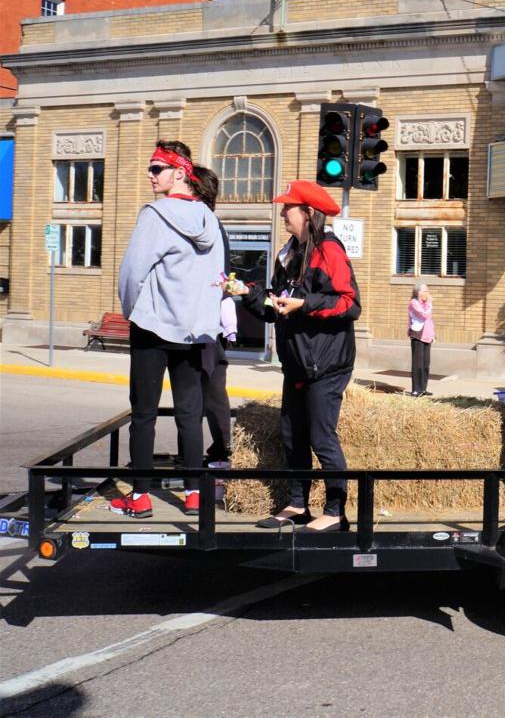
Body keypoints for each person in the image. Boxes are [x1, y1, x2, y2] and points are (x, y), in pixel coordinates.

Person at [228, 180, 360, 532]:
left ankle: (335, 512)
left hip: (327, 364)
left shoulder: (329, 251)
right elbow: (275, 306)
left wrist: (306, 304)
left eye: (289, 207)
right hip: (298, 363)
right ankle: (298, 505)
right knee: (292, 436)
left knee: (321, 437)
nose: (283, 212)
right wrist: (246, 292)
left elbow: (349, 304)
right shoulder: (288, 253)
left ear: (309, 213)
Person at [111, 142, 225, 519]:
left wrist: (133, 312)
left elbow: (132, 273)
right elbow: (217, 278)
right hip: (193, 332)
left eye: (157, 168)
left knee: (143, 414)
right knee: (189, 414)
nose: (150, 174)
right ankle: (193, 493)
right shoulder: (210, 219)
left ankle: (140, 496)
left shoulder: (155, 215)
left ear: (180, 172)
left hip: (154, 326)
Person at [192, 166, 235, 465]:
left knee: (205, 391)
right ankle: (219, 451)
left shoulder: (204, 224)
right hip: (210, 322)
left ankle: (217, 453)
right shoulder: (211, 223)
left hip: (204, 322)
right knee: (209, 389)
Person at [407, 283, 435, 397]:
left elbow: (429, 320)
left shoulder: (425, 303)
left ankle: (423, 388)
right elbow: (424, 315)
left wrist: (433, 334)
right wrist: (430, 303)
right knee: (417, 363)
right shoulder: (413, 302)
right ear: (418, 292)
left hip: (427, 335)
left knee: (425, 364)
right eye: (425, 291)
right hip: (418, 335)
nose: (427, 293)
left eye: (427, 291)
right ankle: (416, 389)